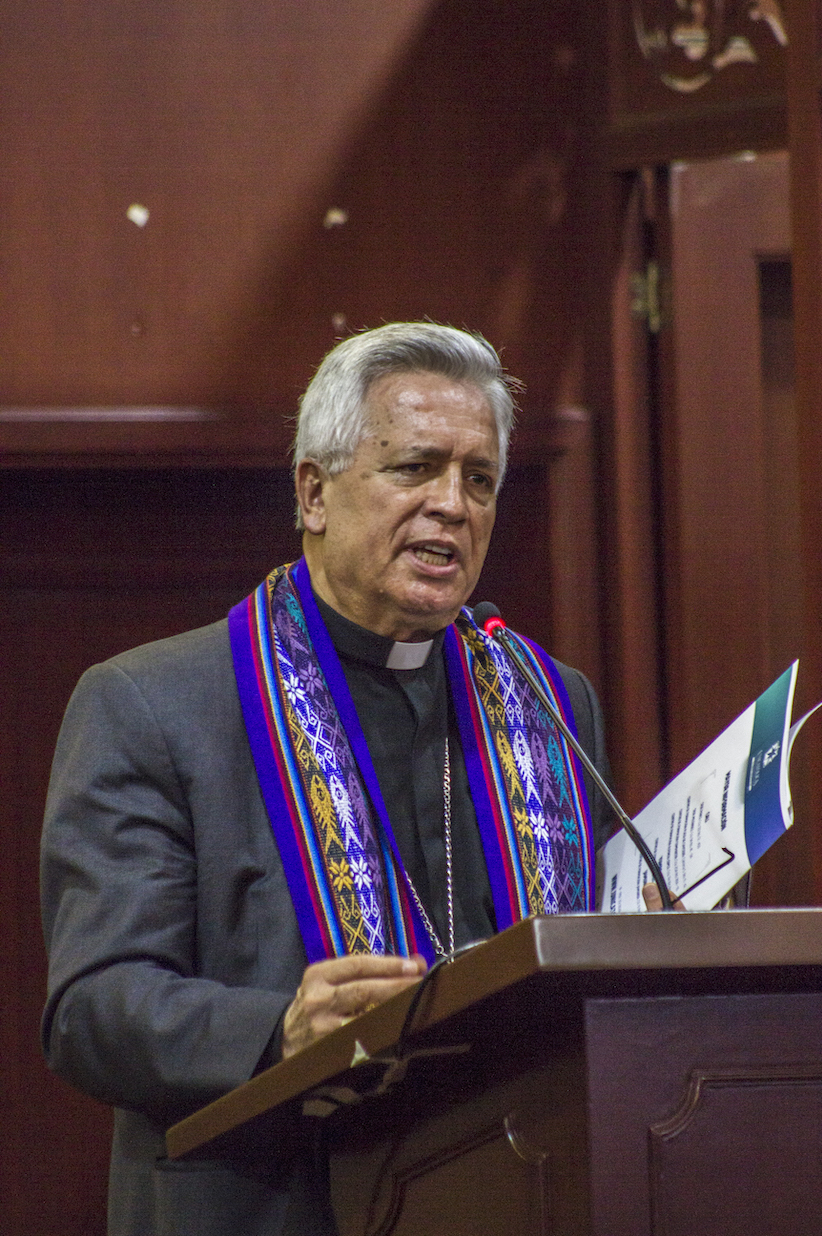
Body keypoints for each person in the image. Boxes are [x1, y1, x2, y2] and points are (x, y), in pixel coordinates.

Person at [40, 322, 614, 1236]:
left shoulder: (550, 703)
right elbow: (92, 1010)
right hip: (276, 1204)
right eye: (414, 467)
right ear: (314, 490)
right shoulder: (153, 705)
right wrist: (279, 1032)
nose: (451, 506)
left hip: (522, 1195)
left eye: (479, 479)